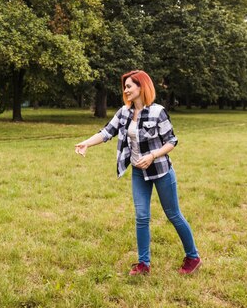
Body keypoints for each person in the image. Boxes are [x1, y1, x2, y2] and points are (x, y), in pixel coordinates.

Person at [75, 70, 201, 275]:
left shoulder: (158, 112)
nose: (125, 90)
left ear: (141, 86)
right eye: (124, 87)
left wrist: (152, 156)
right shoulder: (124, 112)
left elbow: (172, 141)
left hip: (161, 171)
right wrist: (86, 143)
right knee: (141, 217)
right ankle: (144, 264)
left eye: (129, 86)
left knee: (173, 215)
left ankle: (193, 257)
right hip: (138, 173)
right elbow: (107, 132)